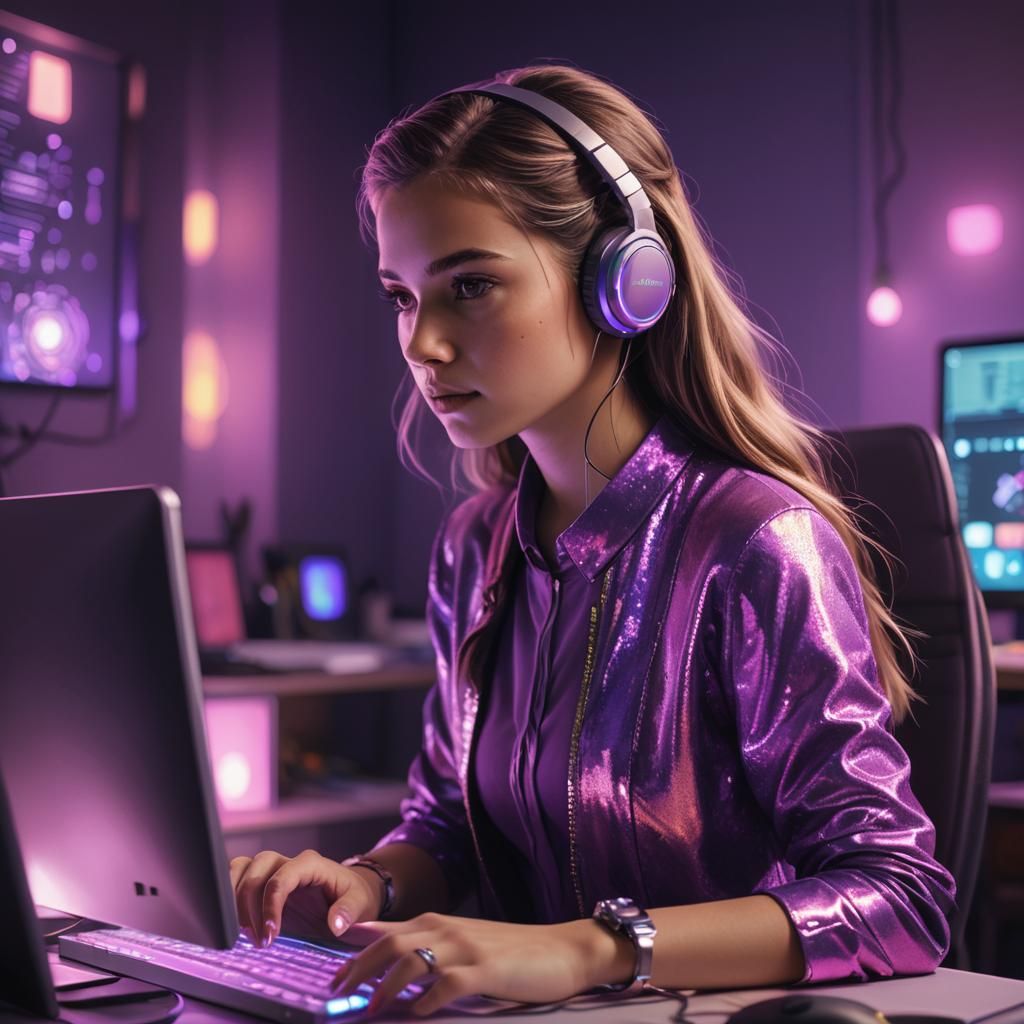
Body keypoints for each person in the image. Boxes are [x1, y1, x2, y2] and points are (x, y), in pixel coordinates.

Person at [229, 61, 956, 1017]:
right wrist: (371, 883)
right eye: (401, 296)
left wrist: (585, 952)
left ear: (627, 282)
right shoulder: (474, 544)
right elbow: (449, 821)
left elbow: (897, 897)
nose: (423, 345)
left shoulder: (758, 542)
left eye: (471, 286)